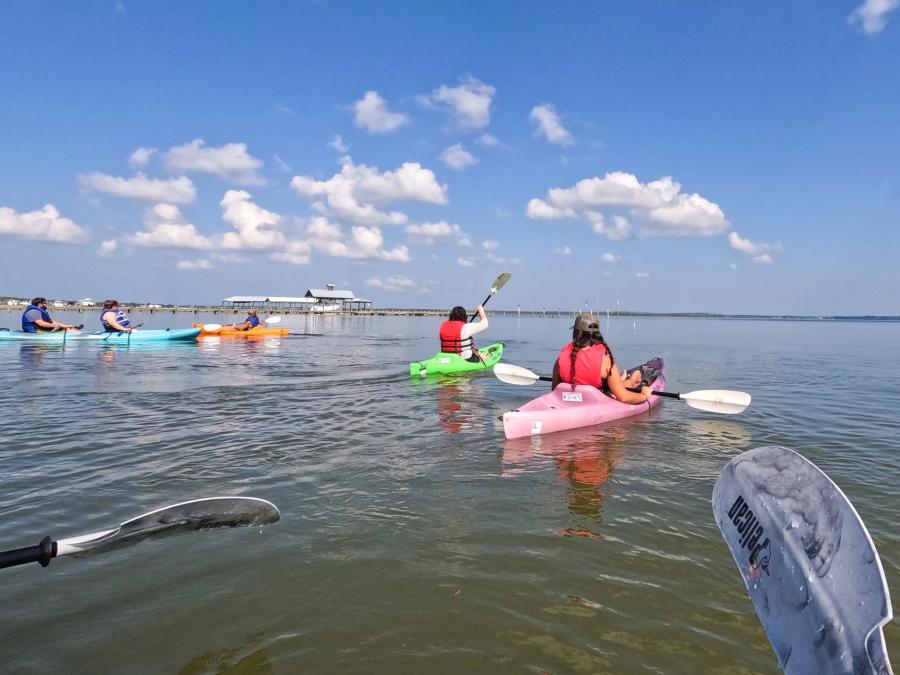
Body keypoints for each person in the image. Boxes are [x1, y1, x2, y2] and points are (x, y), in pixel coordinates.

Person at [551, 313, 651, 405]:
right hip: (597, 400)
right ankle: (631, 379)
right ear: (596, 333)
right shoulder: (606, 362)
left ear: (575, 333)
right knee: (618, 386)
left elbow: (555, 391)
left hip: (573, 401)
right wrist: (644, 395)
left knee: (613, 386)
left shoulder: (560, 360)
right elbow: (624, 398)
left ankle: (627, 379)